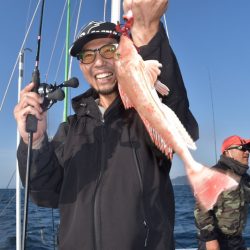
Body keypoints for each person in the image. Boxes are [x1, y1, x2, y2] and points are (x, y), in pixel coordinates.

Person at [14, 0, 198, 249]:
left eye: (109, 50)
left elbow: (176, 115)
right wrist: (33, 142)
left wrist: (147, 31)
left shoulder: (143, 116)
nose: (98, 62)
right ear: (81, 66)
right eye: (88, 55)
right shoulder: (69, 130)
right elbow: (45, 193)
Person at [194, 135, 250, 250]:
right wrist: (210, 240)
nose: (247, 152)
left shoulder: (245, 179)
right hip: (215, 240)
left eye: (248, 149)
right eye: (242, 148)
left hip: (237, 240)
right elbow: (201, 211)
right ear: (227, 152)